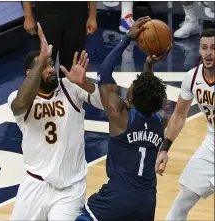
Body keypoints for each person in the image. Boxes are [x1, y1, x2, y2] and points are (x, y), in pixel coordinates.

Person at [75, 16, 170, 221]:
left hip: (118, 197)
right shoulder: (159, 121)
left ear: (131, 97)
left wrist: (126, 38)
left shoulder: (120, 117)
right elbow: (149, 96)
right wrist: (148, 67)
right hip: (146, 201)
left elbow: (104, 73)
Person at [8, 22, 103, 221]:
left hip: (70, 188)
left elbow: (107, 104)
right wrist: (41, 59)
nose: (51, 68)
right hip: (35, 184)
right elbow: (21, 104)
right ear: (30, 73)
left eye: (51, 63)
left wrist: (85, 83)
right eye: (45, 66)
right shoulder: (17, 98)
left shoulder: (70, 87)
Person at [156, 28, 215, 221]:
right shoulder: (192, 77)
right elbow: (180, 114)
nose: (208, 53)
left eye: (213, 48)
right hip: (211, 147)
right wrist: (164, 149)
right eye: (204, 47)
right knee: (181, 202)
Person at [22, 1, 97, 78]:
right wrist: (28, 15)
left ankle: (70, 89)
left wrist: (92, 15)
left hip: (77, 10)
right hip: (46, 10)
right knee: (42, 62)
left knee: (73, 62)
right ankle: (43, 89)